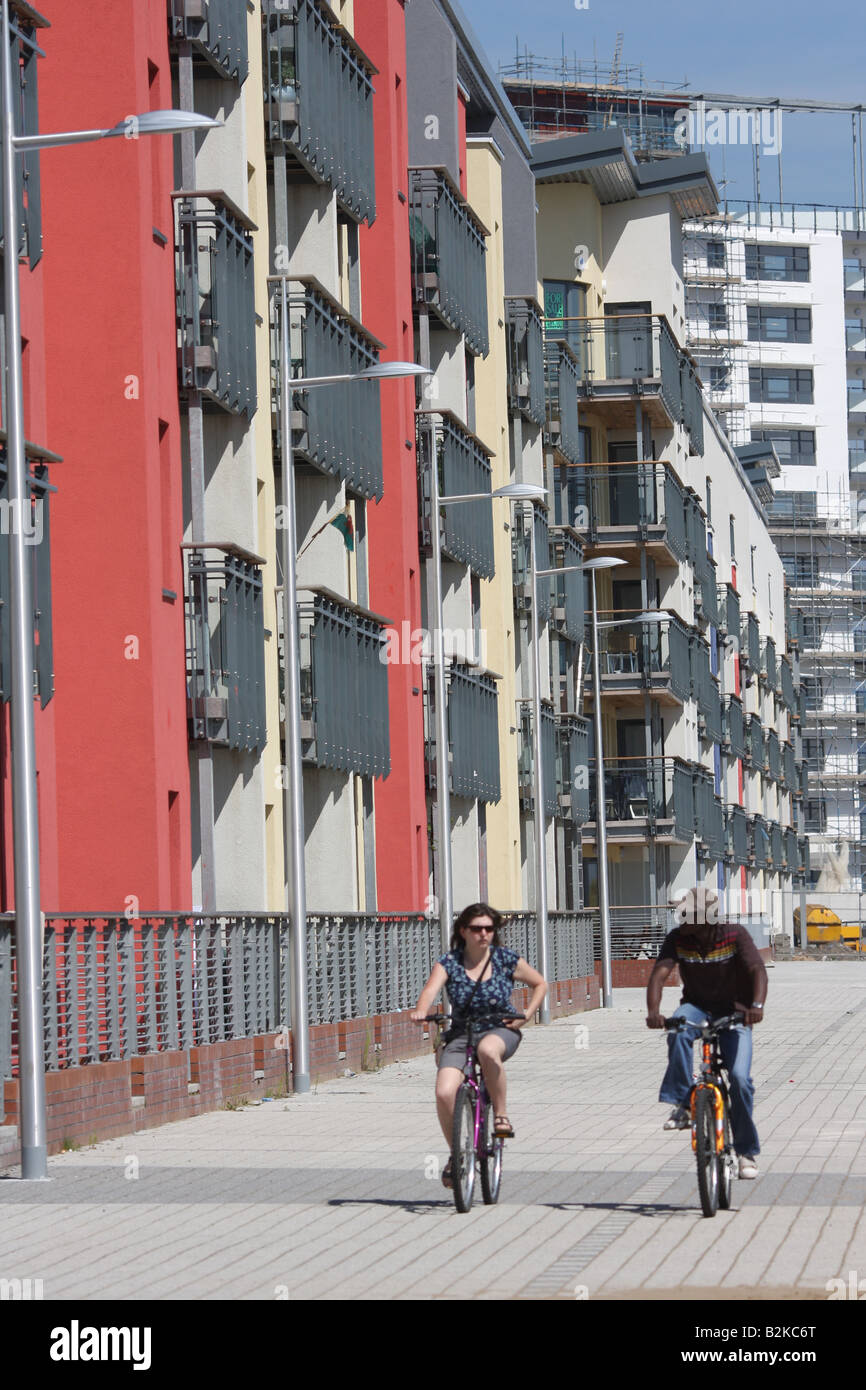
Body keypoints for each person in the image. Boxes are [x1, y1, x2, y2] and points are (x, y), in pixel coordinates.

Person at [411, 902, 547, 1188]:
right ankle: (457, 1153)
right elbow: (429, 991)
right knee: (445, 1091)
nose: (483, 934)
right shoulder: (449, 962)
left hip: (500, 1029)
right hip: (462, 1034)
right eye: (476, 929)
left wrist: (525, 1016)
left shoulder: (505, 959)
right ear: (463, 931)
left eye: (489, 928)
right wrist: (421, 1011)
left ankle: (501, 1115)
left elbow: (540, 984)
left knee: (487, 1050)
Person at [645, 888, 767, 1179]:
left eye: (687, 914)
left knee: (739, 1080)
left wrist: (756, 1006)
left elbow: (757, 970)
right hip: (696, 1007)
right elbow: (659, 975)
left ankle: (746, 1152)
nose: (681, 919)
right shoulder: (677, 938)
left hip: (735, 1011)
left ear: (707, 918)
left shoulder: (734, 934)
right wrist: (653, 1012)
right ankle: (685, 1103)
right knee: (678, 1028)